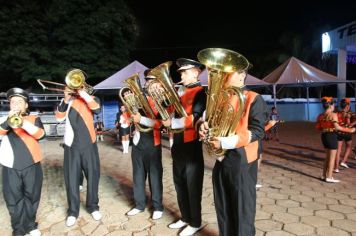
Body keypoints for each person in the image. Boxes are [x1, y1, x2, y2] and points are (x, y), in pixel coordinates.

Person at [199, 55, 267, 236]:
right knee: (224, 208)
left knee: (242, 212)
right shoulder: (220, 99)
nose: (220, 77)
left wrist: (226, 141)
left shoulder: (254, 98)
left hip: (242, 162)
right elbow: (207, 121)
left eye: (225, 73)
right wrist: (203, 127)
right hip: (221, 161)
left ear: (241, 75)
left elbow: (258, 131)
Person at [161, 58, 206, 236]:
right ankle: (186, 217)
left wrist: (171, 121)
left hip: (191, 144)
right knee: (180, 183)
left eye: (184, 72)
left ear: (196, 72)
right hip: (178, 143)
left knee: (192, 185)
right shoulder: (180, 91)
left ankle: (196, 222)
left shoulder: (201, 92)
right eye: (180, 72)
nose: (181, 75)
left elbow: (195, 119)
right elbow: (167, 108)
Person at [55, 82, 102, 227]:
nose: (73, 88)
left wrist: (82, 93)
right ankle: (73, 211)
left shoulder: (91, 98)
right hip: (71, 146)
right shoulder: (67, 102)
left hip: (89, 145)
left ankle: (93, 206)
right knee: (71, 179)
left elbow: (97, 109)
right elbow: (58, 118)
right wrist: (66, 98)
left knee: (93, 176)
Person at [0, 88, 45, 236]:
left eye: (20, 102)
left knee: (32, 196)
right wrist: (9, 121)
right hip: (10, 166)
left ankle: (31, 225)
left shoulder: (34, 119)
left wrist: (22, 123)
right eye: (13, 102)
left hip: (32, 164)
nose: (16, 104)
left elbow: (40, 134)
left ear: (26, 105)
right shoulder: (2, 120)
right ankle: (18, 229)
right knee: (13, 199)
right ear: (9, 105)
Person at [125, 69, 164, 220]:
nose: (149, 84)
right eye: (148, 81)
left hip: (153, 143)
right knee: (138, 176)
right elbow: (130, 118)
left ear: (159, 85)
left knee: (155, 177)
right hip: (138, 142)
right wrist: (130, 103)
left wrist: (140, 119)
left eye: (153, 81)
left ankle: (158, 206)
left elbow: (160, 124)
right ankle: (139, 205)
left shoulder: (162, 100)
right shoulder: (139, 98)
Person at [315, 97, 355, 183]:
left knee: (327, 157)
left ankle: (324, 175)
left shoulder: (320, 115)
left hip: (324, 136)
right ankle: (329, 176)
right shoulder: (333, 115)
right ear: (330, 106)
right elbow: (337, 127)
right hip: (331, 136)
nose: (334, 106)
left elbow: (318, 128)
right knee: (332, 158)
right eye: (333, 104)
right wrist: (350, 130)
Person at [335, 98, 352, 171]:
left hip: (339, 132)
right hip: (347, 132)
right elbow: (348, 124)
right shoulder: (349, 113)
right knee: (348, 147)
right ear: (347, 105)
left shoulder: (338, 113)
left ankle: (336, 168)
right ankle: (343, 161)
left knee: (338, 150)